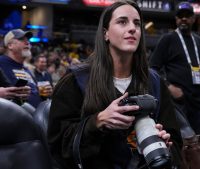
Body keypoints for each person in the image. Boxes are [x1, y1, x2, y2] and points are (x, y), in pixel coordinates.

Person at [47, 1, 182, 169]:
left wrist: (165, 143)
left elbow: (176, 142)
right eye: (122, 22)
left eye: (137, 23)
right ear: (106, 34)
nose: (132, 28)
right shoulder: (76, 80)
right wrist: (97, 122)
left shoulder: (154, 82)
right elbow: (57, 147)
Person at [149, 1, 200, 134]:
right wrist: (169, 87)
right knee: (180, 138)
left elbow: (198, 68)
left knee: (196, 138)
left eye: (187, 16)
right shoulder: (168, 39)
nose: (184, 18)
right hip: (178, 101)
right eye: (180, 16)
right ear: (176, 19)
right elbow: (152, 68)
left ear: (193, 19)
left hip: (196, 101)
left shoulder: (198, 41)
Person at [0, 29, 41, 107]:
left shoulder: (26, 69)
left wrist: (44, 95)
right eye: (22, 40)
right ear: (10, 45)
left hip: (33, 116)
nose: (27, 43)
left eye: (28, 40)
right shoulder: (1, 63)